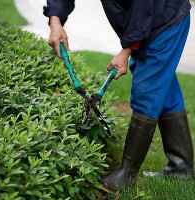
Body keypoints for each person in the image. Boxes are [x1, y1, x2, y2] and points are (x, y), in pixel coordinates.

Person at [43, 0, 194, 191]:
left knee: (147, 90)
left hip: (164, 19)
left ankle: (126, 175)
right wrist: (55, 21)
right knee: (163, 89)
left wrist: (127, 50)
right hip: (146, 24)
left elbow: (144, 6)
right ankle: (180, 168)